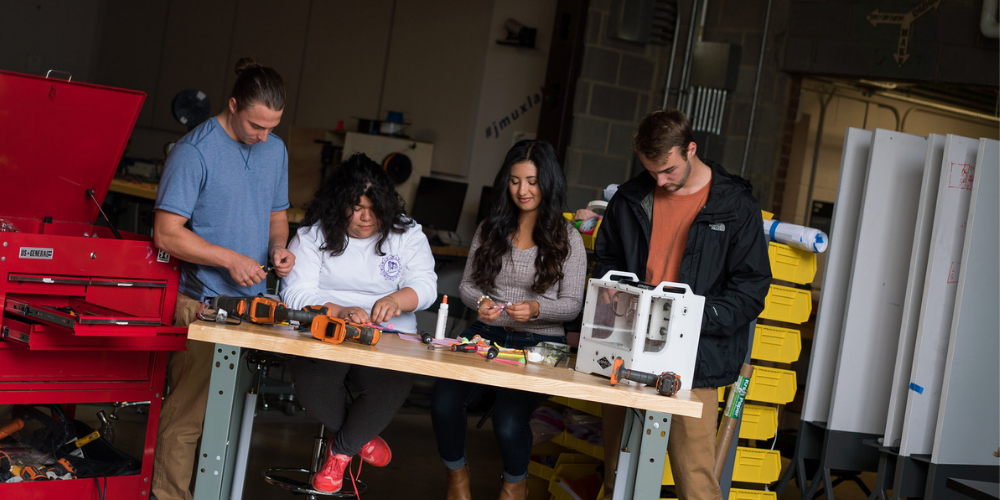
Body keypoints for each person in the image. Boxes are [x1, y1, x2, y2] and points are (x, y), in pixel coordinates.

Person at [593, 109, 771, 500]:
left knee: (696, 482)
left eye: (669, 170)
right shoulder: (630, 197)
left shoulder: (736, 206)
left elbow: (752, 286)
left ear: (691, 149)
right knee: (617, 476)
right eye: (651, 170)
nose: (659, 181)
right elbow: (605, 260)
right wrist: (617, 298)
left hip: (697, 358)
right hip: (629, 352)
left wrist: (695, 320)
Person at [151, 57, 294, 500]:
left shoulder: (275, 150)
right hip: (203, 302)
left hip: (253, 305)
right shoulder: (194, 151)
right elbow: (166, 233)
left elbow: (277, 215)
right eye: (256, 125)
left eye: (272, 127)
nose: (263, 136)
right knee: (188, 418)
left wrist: (277, 249)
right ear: (233, 105)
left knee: (232, 418)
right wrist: (229, 259)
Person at [431, 140, 587, 500]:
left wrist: (536, 310)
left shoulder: (568, 239)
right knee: (443, 399)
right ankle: (457, 475)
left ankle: (515, 483)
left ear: (547, 182)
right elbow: (469, 285)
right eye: (515, 181)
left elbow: (573, 305)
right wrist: (482, 302)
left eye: (532, 181)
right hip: (488, 331)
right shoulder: (491, 228)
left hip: (542, 342)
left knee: (509, 418)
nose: (523, 190)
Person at [280, 152, 438, 494]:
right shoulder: (313, 235)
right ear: (339, 205)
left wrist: (397, 300)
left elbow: (426, 287)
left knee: (389, 386)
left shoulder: (407, 234)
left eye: (374, 207)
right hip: (326, 331)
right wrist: (339, 310)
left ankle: (339, 453)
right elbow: (294, 294)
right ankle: (360, 436)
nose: (366, 218)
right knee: (313, 385)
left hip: (389, 336)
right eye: (355, 207)